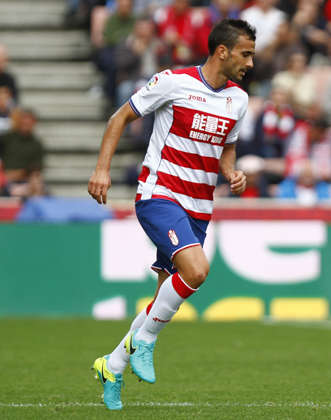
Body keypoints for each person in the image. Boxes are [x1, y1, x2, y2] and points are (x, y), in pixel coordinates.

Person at [87, 19, 256, 411]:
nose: (250, 62)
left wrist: (231, 172)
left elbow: (226, 147)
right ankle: (145, 342)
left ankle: (112, 365)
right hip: (159, 195)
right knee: (197, 270)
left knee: (163, 297)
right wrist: (101, 169)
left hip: (200, 207)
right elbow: (119, 119)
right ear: (222, 51)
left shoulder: (239, 99)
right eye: (245, 54)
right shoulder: (173, 82)